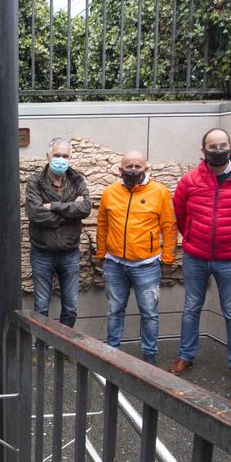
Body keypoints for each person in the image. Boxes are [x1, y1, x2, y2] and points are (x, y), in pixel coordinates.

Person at [169, 128, 231, 392]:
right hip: (196, 256)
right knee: (191, 308)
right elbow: (180, 211)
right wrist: (191, 236)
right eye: (213, 146)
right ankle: (186, 356)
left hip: (230, 259)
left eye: (223, 145)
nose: (218, 150)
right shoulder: (190, 180)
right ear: (203, 151)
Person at [95, 151, 176, 365]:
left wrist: (167, 258)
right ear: (120, 169)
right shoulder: (109, 192)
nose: (133, 170)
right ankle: (112, 355)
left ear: (146, 168)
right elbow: (102, 225)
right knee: (114, 311)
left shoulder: (160, 193)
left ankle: (149, 358)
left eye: (138, 166)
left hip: (146, 266)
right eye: (128, 166)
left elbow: (169, 227)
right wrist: (101, 253)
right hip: (114, 264)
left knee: (149, 313)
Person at [25, 137, 92, 328]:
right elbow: (35, 214)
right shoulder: (35, 181)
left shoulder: (77, 179)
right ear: (48, 156)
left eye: (65, 155)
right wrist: (71, 212)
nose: (61, 159)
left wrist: (53, 206)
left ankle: (65, 350)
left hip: (69, 253)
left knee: (70, 307)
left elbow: (85, 208)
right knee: (41, 307)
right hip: (42, 252)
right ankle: (41, 350)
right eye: (57, 155)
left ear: (70, 157)